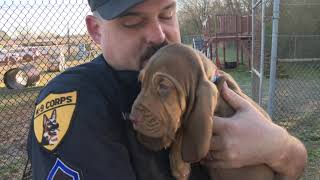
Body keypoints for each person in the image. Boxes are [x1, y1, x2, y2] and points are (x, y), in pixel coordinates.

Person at [27, 0, 307, 179]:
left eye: (167, 13)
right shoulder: (79, 102)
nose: (158, 35)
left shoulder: (198, 75)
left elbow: (295, 163)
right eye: (133, 22)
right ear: (96, 30)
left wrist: (282, 149)